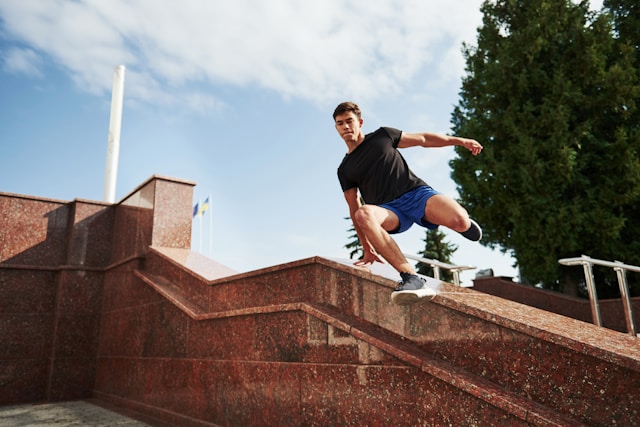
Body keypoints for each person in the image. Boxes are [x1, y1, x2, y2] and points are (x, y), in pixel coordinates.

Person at [333, 101, 483, 305]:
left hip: (416, 194)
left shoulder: (383, 136)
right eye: (340, 123)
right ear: (336, 128)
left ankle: (465, 224)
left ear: (360, 122)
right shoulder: (345, 169)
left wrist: (460, 141)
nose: (346, 127)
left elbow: (423, 139)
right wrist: (367, 247)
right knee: (364, 213)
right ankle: (411, 277)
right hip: (389, 211)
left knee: (458, 220)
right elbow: (354, 208)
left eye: (349, 121)